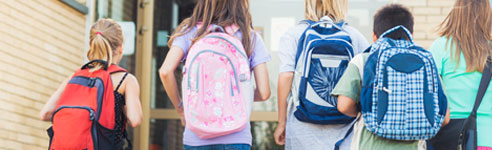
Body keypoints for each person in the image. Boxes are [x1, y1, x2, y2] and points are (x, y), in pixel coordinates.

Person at [333, 4, 450, 150]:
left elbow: (344, 105)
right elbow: (444, 118)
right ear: (411, 35)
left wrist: (367, 111)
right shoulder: (427, 63)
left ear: (375, 36)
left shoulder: (363, 60)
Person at [159, 0, 271, 149]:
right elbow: (264, 92)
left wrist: (181, 108)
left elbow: (165, 71)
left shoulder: (191, 31)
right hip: (236, 135)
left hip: (196, 136)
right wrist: (237, 95)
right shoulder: (249, 36)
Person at [273, 0, 370, 149]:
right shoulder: (354, 36)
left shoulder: (294, 34)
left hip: (302, 130)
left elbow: (286, 75)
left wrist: (281, 122)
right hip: (343, 132)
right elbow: (367, 79)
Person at [427, 0, 492, 149]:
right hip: (488, 138)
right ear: (487, 15)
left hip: (449, 138)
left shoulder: (440, 46)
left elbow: (429, 91)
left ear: (457, 13)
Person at [39, 18, 143, 147]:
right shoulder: (125, 79)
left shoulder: (76, 76)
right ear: (121, 47)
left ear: (92, 45)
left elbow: (45, 113)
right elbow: (135, 119)